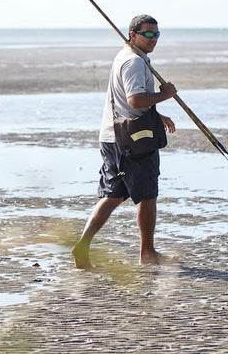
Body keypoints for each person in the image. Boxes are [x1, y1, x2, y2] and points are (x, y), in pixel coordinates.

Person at [72, 14, 177, 269]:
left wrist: (156, 114)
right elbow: (135, 100)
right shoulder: (133, 62)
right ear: (133, 35)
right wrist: (164, 96)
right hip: (132, 142)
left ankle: (82, 246)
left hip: (112, 137)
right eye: (148, 34)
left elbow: (126, 102)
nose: (153, 39)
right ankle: (148, 253)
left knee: (114, 195)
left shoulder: (125, 56)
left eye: (157, 34)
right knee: (147, 194)